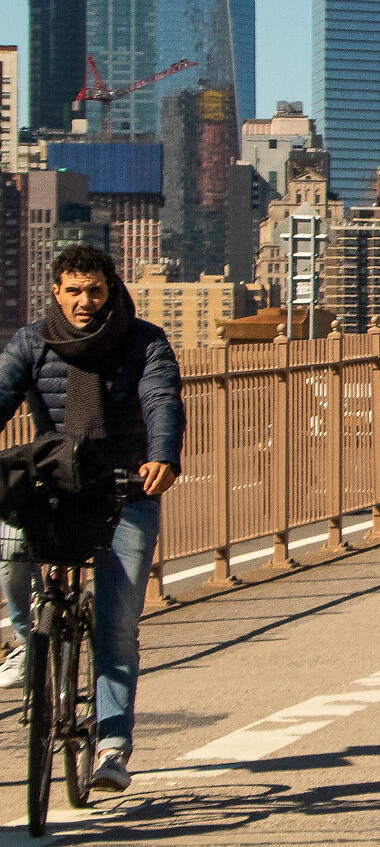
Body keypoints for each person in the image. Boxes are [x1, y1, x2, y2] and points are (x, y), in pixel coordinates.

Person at [0, 245, 184, 795]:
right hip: (56, 484)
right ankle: (27, 643)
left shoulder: (145, 340)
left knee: (116, 623)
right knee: (9, 549)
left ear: (111, 289)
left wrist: (163, 454)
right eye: (74, 291)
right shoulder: (31, 343)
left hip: (126, 487)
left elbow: (161, 400)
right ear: (55, 291)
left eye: (95, 291)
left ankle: (111, 746)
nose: (85, 302)